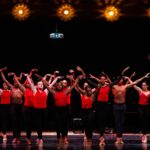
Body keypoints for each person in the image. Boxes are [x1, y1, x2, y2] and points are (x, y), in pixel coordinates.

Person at [35, 73, 81, 146]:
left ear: (62, 87)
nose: (59, 86)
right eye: (58, 85)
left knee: (64, 124)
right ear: (56, 87)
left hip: (64, 110)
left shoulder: (66, 92)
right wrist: (41, 78)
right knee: (58, 124)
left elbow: (74, 85)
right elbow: (47, 86)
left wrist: (77, 78)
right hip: (57, 110)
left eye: (61, 85)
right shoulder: (54, 92)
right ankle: (58, 137)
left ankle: (64, 137)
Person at [111, 72, 150, 144]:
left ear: (147, 86)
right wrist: (130, 78)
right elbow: (134, 83)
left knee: (146, 121)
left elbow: (134, 82)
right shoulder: (140, 91)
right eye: (142, 85)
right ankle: (119, 138)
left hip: (146, 108)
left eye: (144, 85)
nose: (143, 86)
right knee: (141, 120)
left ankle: (144, 134)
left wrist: (144, 77)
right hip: (140, 107)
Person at [0, 67, 24, 144]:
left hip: (20, 106)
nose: (15, 83)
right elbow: (5, 80)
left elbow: (28, 80)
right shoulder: (11, 87)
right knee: (14, 122)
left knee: (20, 122)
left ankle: (18, 137)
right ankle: (14, 137)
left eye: (17, 82)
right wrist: (1, 72)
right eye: (14, 82)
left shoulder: (21, 88)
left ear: (19, 82)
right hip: (13, 106)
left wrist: (15, 75)